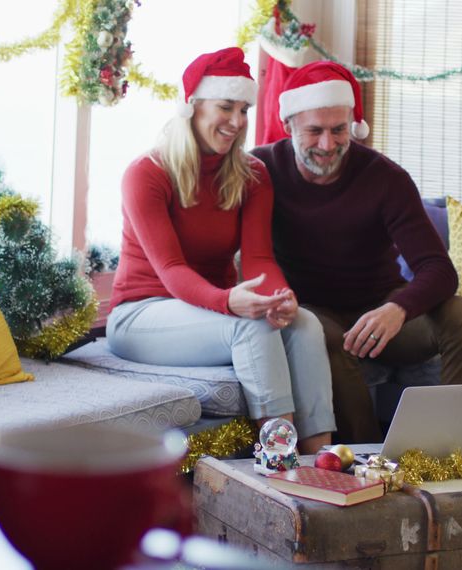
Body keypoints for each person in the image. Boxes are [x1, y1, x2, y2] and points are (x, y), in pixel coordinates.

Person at [107, 48, 335, 454]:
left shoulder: (251, 174)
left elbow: (260, 259)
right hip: (141, 314)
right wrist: (229, 301)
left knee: (304, 324)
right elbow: (171, 269)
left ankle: (322, 460)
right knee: (252, 324)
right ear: (192, 107)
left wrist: (280, 298)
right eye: (225, 107)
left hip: (211, 309)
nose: (237, 121)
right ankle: (282, 457)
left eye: (244, 109)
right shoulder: (147, 173)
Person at [250, 61, 462, 444]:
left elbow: (439, 270)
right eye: (314, 131)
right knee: (320, 335)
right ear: (289, 126)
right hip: (308, 308)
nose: (328, 145)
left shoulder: (385, 178)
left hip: (380, 309)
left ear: (353, 126)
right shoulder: (261, 168)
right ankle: (367, 466)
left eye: (338, 130)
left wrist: (398, 309)